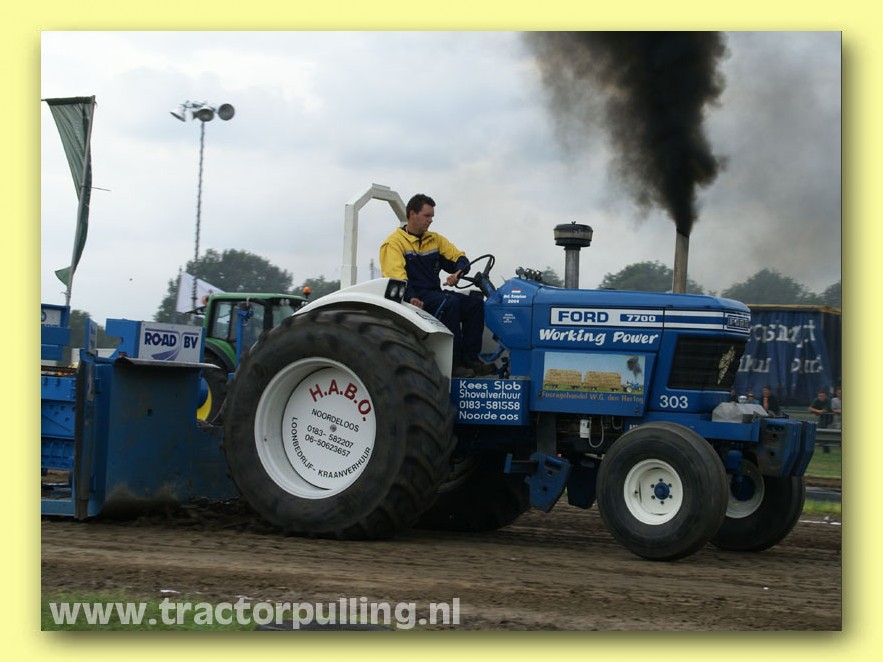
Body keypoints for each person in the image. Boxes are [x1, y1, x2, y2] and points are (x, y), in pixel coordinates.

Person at [380, 193, 493, 378]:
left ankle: (471, 359)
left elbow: (459, 257)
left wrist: (458, 272)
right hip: (412, 297)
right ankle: (454, 364)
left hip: (434, 294)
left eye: (432, 216)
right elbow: (396, 277)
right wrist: (411, 296)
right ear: (412, 214)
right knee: (450, 303)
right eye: (427, 216)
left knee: (474, 304)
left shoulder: (435, 240)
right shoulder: (393, 243)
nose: (431, 220)